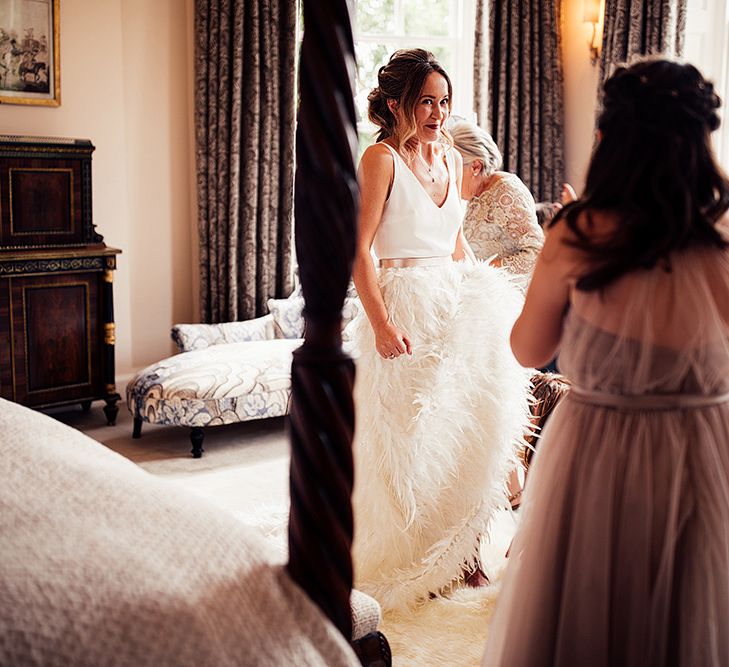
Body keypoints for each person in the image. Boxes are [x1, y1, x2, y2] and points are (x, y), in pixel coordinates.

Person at [483, 59, 729, 666]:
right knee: (692, 606)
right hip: (706, 445)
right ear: (700, 142)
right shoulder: (721, 235)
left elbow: (527, 351)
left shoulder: (578, 234)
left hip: (600, 450)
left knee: (591, 606)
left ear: (610, 139)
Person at [348, 48, 532, 611]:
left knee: (463, 433)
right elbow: (357, 250)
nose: (436, 112)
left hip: (452, 304)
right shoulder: (379, 159)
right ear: (398, 102)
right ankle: (405, 556)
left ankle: (461, 554)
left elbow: (455, 244)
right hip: (400, 304)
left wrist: (482, 290)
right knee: (405, 441)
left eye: (444, 102)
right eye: (426, 101)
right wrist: (379, 323)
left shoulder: (451, 157)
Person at [450, 120, 544, 290]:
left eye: (453, 170)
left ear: (476, 167)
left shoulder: (506, 191)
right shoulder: (476, 193)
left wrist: (483, 272)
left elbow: (536, 253)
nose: (449, 178)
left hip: (506, 297)